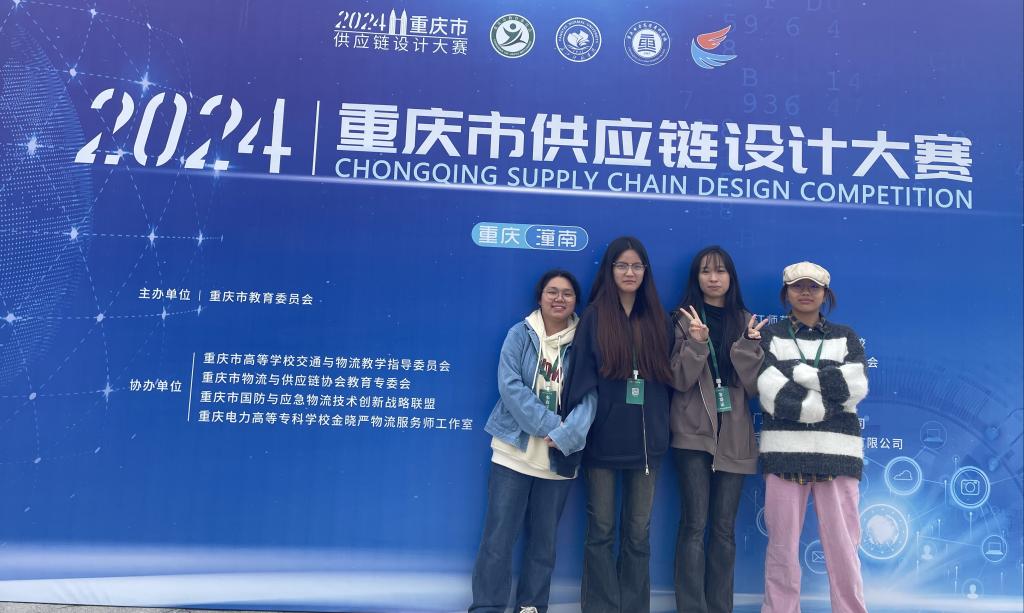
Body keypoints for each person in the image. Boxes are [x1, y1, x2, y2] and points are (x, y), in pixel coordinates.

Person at [470, 269, 597, 613]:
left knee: (544, 544)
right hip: (514, 452)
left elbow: (591, 396)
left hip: (559, 459)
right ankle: (487, 607)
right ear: (539, 297)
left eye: (567, 293)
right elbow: (509, 385)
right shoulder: (520, 334)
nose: (559, 298)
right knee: (498, 540)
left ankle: (531, 607)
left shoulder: (585, 343)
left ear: (576, 300)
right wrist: (551, 426)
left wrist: (567, 435)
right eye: (552, 291)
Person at [562, 236, 674, 613]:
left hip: (647, 444)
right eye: (622, 265)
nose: (630, 273)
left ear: (646, 272)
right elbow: (580, 380)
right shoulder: (594, 316)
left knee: (638, 535)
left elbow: (671, 380)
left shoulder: (659, 317)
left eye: (636, 266)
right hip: (602, 443)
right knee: (601, 532)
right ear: (610, 271)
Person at [757, 262, 870, 613]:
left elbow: (854, 387)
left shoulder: (846, 336)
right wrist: (825, 388)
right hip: (784, 454)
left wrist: (797, 374)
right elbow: (770, 392)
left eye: (813, 287)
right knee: (781, 549)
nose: (805, 293)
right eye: (797, 286)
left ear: (825, 294)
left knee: (844, 548)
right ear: (786, 292)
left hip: (838, 454)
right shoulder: (770, 336)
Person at [669, 246, 765, 613]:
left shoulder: (747, 322)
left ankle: (720, 607)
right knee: (694, 525)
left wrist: (749, 349)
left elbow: (756, 388)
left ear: (731, 277)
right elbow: (678, 379)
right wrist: (695, 342)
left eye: (721, 271)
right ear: (696, 277)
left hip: (735, 437)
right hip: (693, 434)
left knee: (724, 530)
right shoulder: (682, 320)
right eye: (706, 271)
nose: (713, 278)